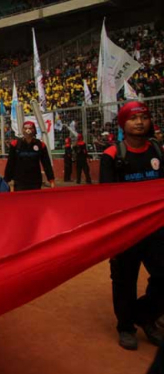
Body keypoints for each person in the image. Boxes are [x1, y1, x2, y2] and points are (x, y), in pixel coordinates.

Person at [100, 102, 164, 351]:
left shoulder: (158, 151)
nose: (139, 122)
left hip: (156, 228)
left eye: (144, 117)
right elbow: (105, 200)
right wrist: (111, 238)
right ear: (122, 124)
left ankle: (145, 316)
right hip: (125, 231)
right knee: (124, 280)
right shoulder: (112, 155)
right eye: (133, 118)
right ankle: (125, 327)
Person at [4, 121, 55, 191]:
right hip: (20, 181)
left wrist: (51, 179)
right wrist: (7, 179)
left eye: (30, 128)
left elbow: (46, 164)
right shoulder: (15, 144)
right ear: (22, 130)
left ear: (34, 130)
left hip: (35, 181)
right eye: (25, 128)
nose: (28, 130)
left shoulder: (40, 145)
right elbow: (10, 163)